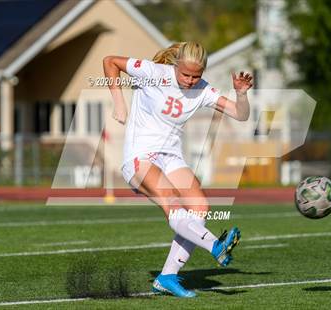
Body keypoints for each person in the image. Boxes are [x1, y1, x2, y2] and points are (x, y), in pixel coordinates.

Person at [103, 42, 252, 298]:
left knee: (200, 208)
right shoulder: (153, 72)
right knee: (173, 204)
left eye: (197, 75)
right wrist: (119, 102)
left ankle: (167, 277)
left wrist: (241, 94)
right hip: (141, 157)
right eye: (186, 74)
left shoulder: (203, 90)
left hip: (171, 157)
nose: (191, 80)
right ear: (176, 66)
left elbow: (240, 114)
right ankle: (215, 245)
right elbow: (110, 61)